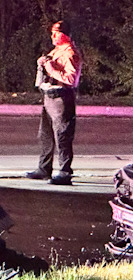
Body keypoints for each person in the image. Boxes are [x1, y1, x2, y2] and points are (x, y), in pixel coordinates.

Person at [25, 20, 83, 186]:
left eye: (55, 33)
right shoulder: (58, 50)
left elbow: (71, 79)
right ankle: (44, 168)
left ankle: (65, 171)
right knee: (45, 134)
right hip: (49, 96)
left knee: (62, 135)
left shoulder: (71, 53)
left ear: (64, 34)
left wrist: (51, 69)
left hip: (61, 97)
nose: (53, 36)